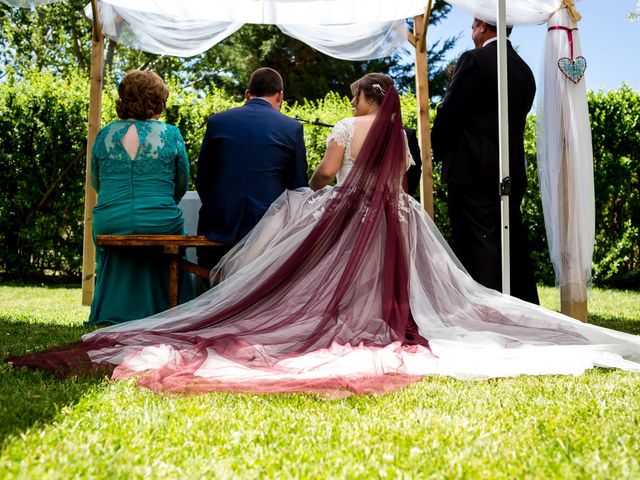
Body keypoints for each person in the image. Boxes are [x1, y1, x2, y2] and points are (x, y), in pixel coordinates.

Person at [7, 74, 640, 396]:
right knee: (416, 290)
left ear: (362, 101)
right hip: (398, 219)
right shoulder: (400, 134)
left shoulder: (339, 126)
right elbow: (405, 180)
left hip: (328, 216)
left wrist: (319, 185)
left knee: (307, 244)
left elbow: (322, 177)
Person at [431, 18, 540, 305]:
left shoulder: (474, 60)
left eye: (472, 26)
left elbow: (450, 113)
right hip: (510, 170)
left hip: (471, 170)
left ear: (482, 26)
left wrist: (437, 149)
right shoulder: (524, 70)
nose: (471, 32)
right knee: (510, 245)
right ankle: (522, 310)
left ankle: (483, 315)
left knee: (476, 245)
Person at [87, 70, 195, 325]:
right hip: (159, 219)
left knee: (116, 226)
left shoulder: (104, 135)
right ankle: (169, 311)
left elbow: (97, 182)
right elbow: (180, 185)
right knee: (172, 227)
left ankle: (113, 309)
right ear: (158, 101)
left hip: (110, 220)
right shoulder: (170, 135)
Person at [196, 67, 308, 270]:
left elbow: (203, 179)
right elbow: (298, 186)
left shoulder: (217, 122)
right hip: (268, 228)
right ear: (279, 95)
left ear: (247, 94)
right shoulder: (292, 128)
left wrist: (219, 207)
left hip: (219, 222)